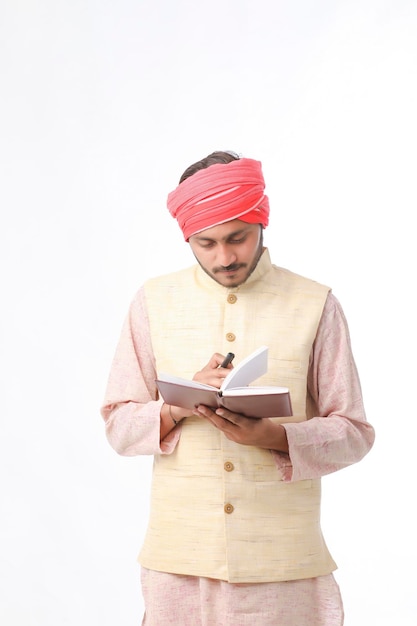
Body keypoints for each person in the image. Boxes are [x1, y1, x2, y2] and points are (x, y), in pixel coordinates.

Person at [101, 150, 375, 626]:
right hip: (178, 565)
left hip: (284, 565)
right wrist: (179, 405)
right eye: (205, 243)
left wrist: (274, 437)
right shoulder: (153, 302)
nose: (224, 257)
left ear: (262, 223)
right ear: (187, 236)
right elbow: (119, 427)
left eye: (237, 238)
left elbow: (354, 433)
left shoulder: (315, 304)